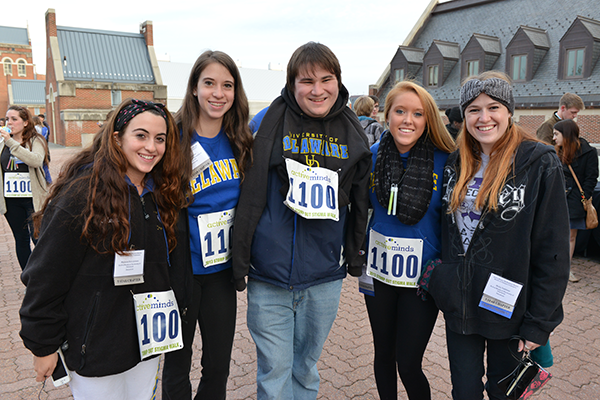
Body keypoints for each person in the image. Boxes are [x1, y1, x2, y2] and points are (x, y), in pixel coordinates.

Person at [19, 98, 188, 399]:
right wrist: (42, 345)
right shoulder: (82, 193)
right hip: (96, 349)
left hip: (148, 342)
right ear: (116, 138)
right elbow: (46, 273)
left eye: (160, 139)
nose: (151, 147)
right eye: (140, 135)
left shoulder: (161, 193)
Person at [232, 42, 372, 399]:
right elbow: (246, 194)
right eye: (306, 80)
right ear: (292, 84)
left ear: (339, 82)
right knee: (274, 372)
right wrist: (242, 257)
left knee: (306, 369)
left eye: (327, 79)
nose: (317, 89)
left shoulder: (353, 129)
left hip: (323, 277)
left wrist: (354, 256)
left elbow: (359, 200)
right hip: (270, 275)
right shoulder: (266, 123)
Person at [427, 71, 570, 400]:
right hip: (461, 306)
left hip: (510, 307)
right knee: (463, 392)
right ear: (464, 116)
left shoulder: (538, 162)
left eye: (493, 107)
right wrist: (439, 277)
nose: (484, 117)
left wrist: (539, 323)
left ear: (509, 111)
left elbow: (554, 250)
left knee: (503, 393)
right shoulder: (455, 163)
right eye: (473, 109)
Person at [161, 50, 253, 400]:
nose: (218, 93)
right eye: (209, 83)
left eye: (227, 85)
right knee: (176, 363)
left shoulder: (242, 140)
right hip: (180, 270)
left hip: (220, 273)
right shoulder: (172, 137)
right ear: (195, 88)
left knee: (218, 365)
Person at [364, 81, 454, 400]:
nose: (407, 120)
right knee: (383, 356)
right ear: (385, 115)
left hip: (422, 279)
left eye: (417, 114)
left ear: (428, 119)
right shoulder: (371, 156)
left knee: (409, 362)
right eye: (400, 111)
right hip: (378, 273)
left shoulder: (446, 160)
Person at [0, 106, 50, 270]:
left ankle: (45, 277)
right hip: (11, 200)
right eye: (8, 119)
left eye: (14, 119)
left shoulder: (36, 140)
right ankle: (29, 280)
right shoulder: (2, 142)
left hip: (32, 199)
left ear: (26, 122)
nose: (10, 123)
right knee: (20, 240)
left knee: (39, 239)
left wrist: (10, 142)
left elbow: (35, 160)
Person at [553, 119, 598, 283]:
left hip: (574, 201)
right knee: (555, 235)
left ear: (566, 134)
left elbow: (591, 178)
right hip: (556, 199)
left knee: (570, 237)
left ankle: (566, 269)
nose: (553, 138)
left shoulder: (589, 152)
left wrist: (583, 198)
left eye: (556, 134)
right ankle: (553, 267)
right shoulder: (556, 151)